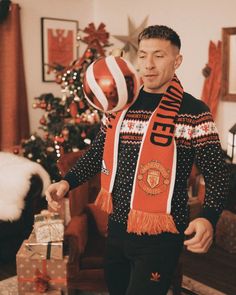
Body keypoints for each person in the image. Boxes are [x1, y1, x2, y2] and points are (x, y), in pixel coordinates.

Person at [45, 25, 229, 295]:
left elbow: (216, 172)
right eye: (142, 56)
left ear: (177, 61)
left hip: (162, 234)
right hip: (116, 228)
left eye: (159, 55)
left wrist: (208, 219)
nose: (148, 65)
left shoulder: (194, 112)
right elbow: (98, 152)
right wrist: (67, 182)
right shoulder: (120, 102)